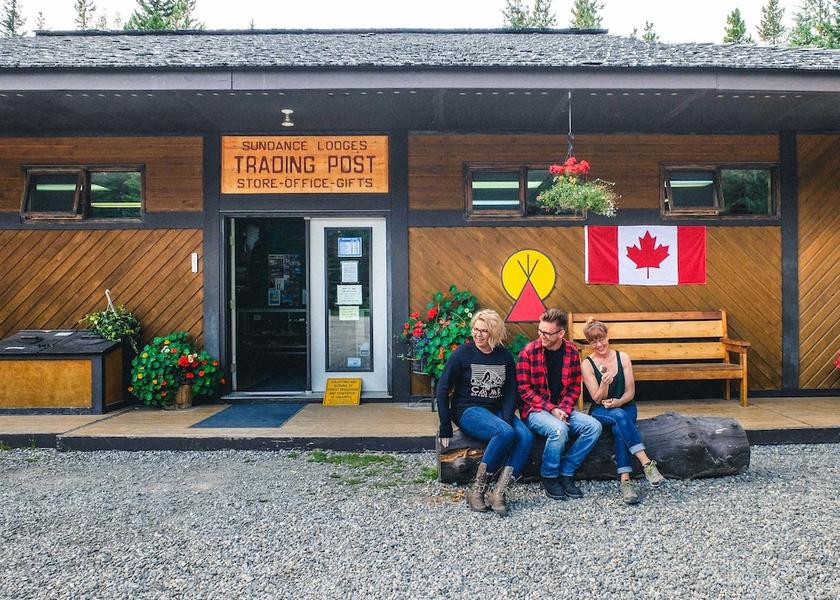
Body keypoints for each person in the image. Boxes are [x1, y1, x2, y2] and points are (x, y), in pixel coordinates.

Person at [436, 309, 534, 516]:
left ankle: (499, 491)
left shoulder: (503, 356)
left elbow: (510, 390)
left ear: (494, 333)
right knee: (504, 433)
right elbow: (443, 388)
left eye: (484, 331)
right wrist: (445, 425)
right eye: (475, 329)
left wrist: (507, 418)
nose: (478, 335)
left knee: (525, 436)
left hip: (496, 410)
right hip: (468, 410)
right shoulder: (463, 354)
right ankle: (477, 490)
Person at [517, 308, 602, 501]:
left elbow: (574, 387)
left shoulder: (571, 352)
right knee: (559, 430)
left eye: (546, 333)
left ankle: (566, 471)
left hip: (562, 409)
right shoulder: (529, 352)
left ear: (561, 333)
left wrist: (562, 409)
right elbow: (524, 390)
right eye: (540, 331)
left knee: (593, 427)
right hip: (535, 410)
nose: (541, 336)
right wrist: (552, 409)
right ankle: (549, 476)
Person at [580, 317, 665, 504]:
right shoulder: (587, 364)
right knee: (619, 417)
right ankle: (647, 464)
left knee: (620, 428)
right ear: (589, 342)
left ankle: (626, 482)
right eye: (593, 341)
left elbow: (630, 391)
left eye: (601, 338)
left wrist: (618, 402)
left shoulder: (622, 357)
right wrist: (604, 382)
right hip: (601, 410)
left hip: (625, 405)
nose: (599, 344)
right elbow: (595, 397)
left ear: (607, 337)